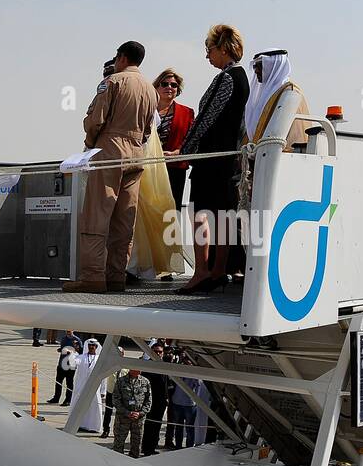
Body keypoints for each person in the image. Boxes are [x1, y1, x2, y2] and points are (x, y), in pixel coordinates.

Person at [64, 41, 157, 294]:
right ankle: (116, 276)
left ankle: (93, 276)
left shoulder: (112, 81)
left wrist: (90, 143)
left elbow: (96, 120)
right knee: (124, 218)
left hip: (110, 149)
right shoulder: (151, 89)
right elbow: (149, 129)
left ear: (122, 57)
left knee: (97, 215)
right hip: (137, 153)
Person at [176, 24, 250, 294]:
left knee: (200, 215)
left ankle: (202, 271)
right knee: (224, 215)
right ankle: (218, 271)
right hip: (229, 159)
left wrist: (184, 151)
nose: (207, 56)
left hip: (212, 159)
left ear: (223, 48)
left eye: (209, 49)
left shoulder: (227, 78)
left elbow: (206, 118)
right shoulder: (245, 79)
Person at [153, 68, 195, 209]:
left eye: (174, 85)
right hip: (149, 167)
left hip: (175, 167)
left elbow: (191, 139)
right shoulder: (147, 110)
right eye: (164, 84)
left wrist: (177, 153)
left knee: (171, 211)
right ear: (157, 87)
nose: (169, 87)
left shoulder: (187, 112)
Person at [110, 367, 152, 457]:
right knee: (118, 444)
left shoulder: (145, 382)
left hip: (138, 420)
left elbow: (148, 401)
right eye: (137, 368)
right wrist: (127, 413)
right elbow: (115, 400)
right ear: (131, 369)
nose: (140, 370)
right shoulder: (121, 381)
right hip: (123, 419)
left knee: (136, 446)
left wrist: (140, 413)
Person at [70, 337, 107, 433]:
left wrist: (103, 391)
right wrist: (73, 351)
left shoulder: (100, 359)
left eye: (93, 346)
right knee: (79, 405)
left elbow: (104, 377)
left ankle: (93, 426)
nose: (91, 347)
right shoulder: (81, 357)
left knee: (94, 407)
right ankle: (78, 424)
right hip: (81, 387)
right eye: (90, 345)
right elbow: (72, 363)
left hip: (94, 388)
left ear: (96, 347)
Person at [139, 341, 168, 456]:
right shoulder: (148, 367)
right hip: (150, 401)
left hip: (161, 402)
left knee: (157, 426)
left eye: (160, 352)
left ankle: (152, 446)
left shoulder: (165, 365)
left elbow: (166, 384)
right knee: (149, 426)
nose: (158, 354)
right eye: (155, 352)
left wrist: (166, 398)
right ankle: (146, 448)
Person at [168, 370, 204, 449]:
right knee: (178, 427)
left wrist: (195, 399)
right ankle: (178, 446)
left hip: (189, 404)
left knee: (189, 427)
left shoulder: (194, 373)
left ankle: (189, 447)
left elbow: (198, 385)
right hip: (177, 402)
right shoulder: (179, 370)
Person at [47, 330, 80, 404]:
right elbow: (62, 348)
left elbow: (80, 351)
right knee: (58, 382)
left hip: (71, 365)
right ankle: (56, 398)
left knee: (69, 383)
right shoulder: (63, 338)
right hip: (61, 364)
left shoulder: (77, 340)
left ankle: (68, 400)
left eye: (69, 331)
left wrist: (72, 352)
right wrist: (60, 350)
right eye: (67, 331)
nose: (68, 332)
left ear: (73, 330)